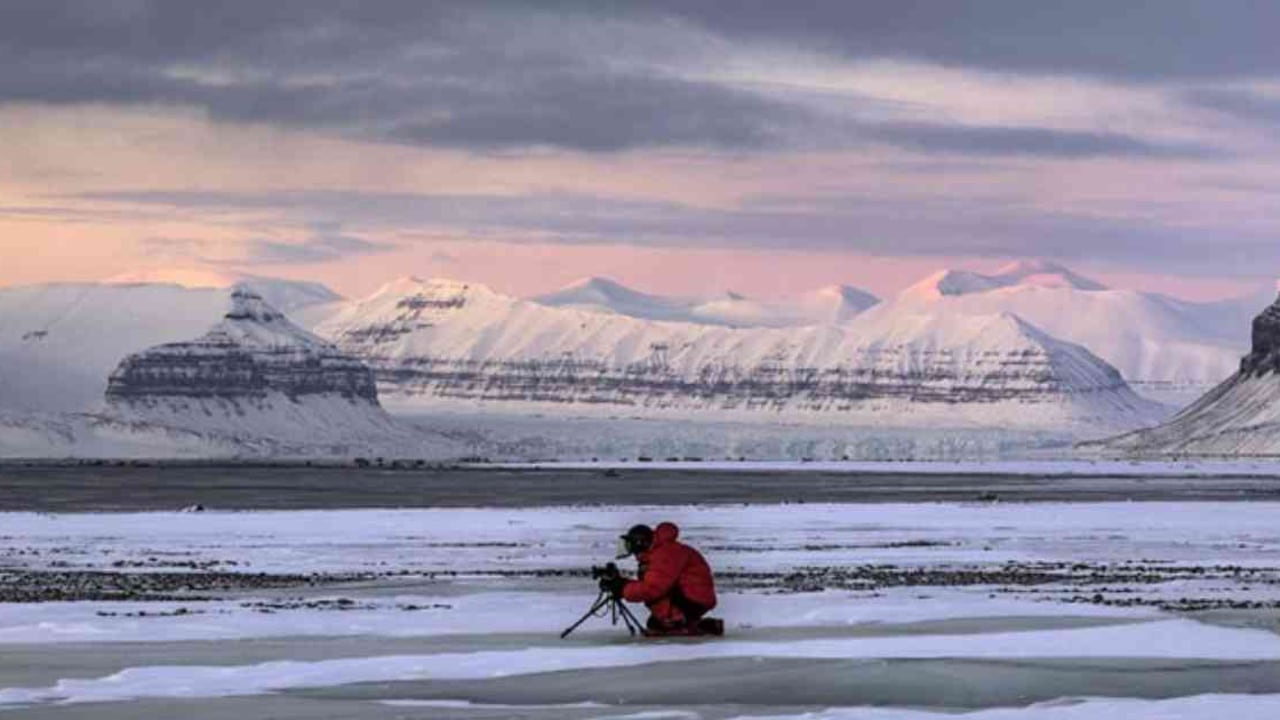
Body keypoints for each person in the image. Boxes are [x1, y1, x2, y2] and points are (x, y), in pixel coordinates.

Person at [602, 522, 723, 637]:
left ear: (641, 543)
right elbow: (652, 583)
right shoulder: (658, 552)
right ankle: (695, 624)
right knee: (654, 624)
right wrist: (622, 584)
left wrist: (623, 589)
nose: (634, 554)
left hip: (693, 599)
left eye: (633, 547)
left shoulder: (665, 554)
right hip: (691, 596)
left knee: (657, 626)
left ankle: (680, 623)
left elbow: (653, 588)